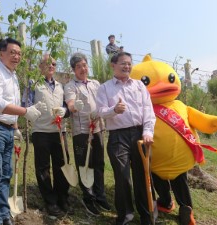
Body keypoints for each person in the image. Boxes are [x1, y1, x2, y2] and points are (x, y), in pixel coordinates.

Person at [0, 37, 47, 225]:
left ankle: (3, 214)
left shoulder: (13, 75)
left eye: (19, 53)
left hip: (7, 129)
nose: (16, 56)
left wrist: (15, 127)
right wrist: (25, 112)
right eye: (12, 52)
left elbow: (12, 104)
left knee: (5, 174)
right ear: (1, 54)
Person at [95, 52, 156, 225]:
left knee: (144, 175)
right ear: (113, 65)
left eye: (129, 63)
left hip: (140, 135)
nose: (127, 66)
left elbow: (148, 111)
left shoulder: (139, 86)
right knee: (122, 177)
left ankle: (148, 215)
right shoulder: (105, 88)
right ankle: (125, 217)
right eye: (123, 63)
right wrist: (114, 110)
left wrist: (148, 132)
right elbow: (100, 111)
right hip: (117, 137)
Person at [22, 54, 71, 217]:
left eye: (54, 64)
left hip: (59, 131)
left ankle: (62, 196)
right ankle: (50, 201)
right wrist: (35, 107)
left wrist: (65, 111)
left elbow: (66, 107)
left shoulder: (60, 86)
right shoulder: (33, 83)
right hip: (41, 131)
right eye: (47, 63)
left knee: (62, 164)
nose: (51, 66)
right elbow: (25, 106)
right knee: (43, 168)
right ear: (40, 66)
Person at [64, 52, 111, 216]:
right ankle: (88, 197)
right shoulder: (70, 86)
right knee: (85, 164)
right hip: (81, 131)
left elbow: (102, 102)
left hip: (97, 128)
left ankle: (100, 195)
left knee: (99, 162)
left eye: (84, 65)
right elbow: (70, 105)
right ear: (73, 70)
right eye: (79, 67)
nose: (83, 69)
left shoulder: (95, 83)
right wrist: (74, 105)